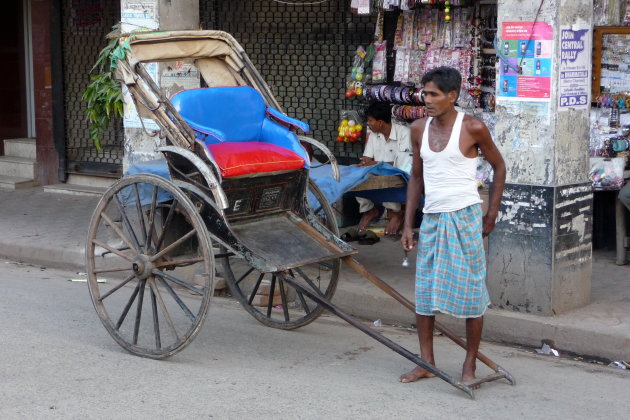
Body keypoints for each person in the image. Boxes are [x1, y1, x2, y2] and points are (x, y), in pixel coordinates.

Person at [399, 67, 506, 386]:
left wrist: (492, 213)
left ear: (452, 96)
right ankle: (426, 362)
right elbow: (416, 177)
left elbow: (499, 167)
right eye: (424, 93)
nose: (426, 99)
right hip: (432, 217)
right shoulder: (418, 128)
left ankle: (469, 365)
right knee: (425, 292)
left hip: (465, 216)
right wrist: (408, 223)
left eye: (433, 94)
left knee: (472, 291)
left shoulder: (472, 127)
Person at [357, 102, 412, 234]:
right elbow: (367, 158)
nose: (368, 124)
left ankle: (395, 212)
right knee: (355, 174)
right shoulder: (374, 134)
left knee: (389, 176)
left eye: (370, 121)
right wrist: (365, 162)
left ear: (380, 122)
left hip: (402, 175)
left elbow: (402, 165)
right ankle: (369, 210)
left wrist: (376, 164)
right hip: (379, 172)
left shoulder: (404, 133)